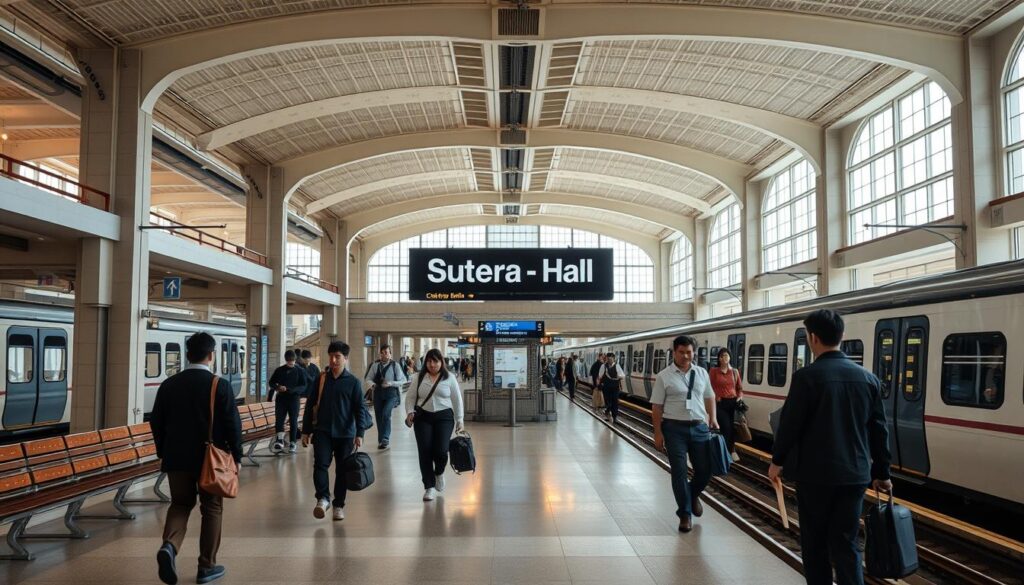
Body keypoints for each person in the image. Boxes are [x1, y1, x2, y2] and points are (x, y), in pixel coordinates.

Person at [769, 310, 891, 585]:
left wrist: (777, 461)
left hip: (814, 477)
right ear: (842, 336)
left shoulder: (806, 378)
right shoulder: (868, 379)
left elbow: (790, 425)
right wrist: (882, 473)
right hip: (854, 475)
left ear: (812, 338)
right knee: (847, 543)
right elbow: (879, 430)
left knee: (815, 544)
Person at [151, 332, 242, 585]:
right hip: (209, 460)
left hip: (176, 458)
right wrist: (237, 454)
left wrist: (164, 451)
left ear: (187, 354)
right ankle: (206, 566)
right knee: (211, 508)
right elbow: (233, 424)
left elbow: (156, 422)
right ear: (211, 355)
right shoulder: (218, 385)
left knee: (180, 504)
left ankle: (169, 546)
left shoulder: (169, 384)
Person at [651, 336, 718, 533]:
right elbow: (657, 406)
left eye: (689, 352)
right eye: (681, 352)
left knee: (705, 471)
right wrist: (658, 433)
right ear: (674, 352)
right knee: (679, 472)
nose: (686, 356)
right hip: (674, 429)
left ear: (693, 352)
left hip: (699, 427)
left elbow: (710, 396)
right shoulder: (664, 376)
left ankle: (691, 494)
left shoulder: (702, 373)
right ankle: (685, 514)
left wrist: (712, 417)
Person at [301, 341, 371, 522]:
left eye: (337, 356)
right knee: (320, 465)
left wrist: (360, 434)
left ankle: (339, 505)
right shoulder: (321, 379)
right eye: (331, 356)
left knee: (342, 470)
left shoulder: (354, 383)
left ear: (345, 358)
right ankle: (323, 498)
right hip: (323, 431)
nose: (333, 360)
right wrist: (306, 431)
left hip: (346, 434)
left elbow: (359, 409)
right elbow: (310, 405)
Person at [404, 348, 465, 502]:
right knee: (424, 451)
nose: (432, 364)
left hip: (444, 417)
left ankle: (439, 472)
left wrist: (460, 420)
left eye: (435, 361)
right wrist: (410, 412)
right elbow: (410, 397)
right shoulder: (419, 377)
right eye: (429, 361)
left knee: (441, 451)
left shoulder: (449, 378)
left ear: (441, 362)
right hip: (423, 416)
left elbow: (457, 400)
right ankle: (429, 487)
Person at [364, 344, 409, 450]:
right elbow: (368, 379)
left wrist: (391, 383)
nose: (385, 354)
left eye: (387, 352)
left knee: (386, 413)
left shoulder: (395, 365)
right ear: (380, 354)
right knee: (379, 417)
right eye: (383, 352)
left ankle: (386, 437)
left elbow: (403, 380)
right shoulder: (375, 366)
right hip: (378, 393)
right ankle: (381, 441)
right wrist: (373, 385)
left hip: (391, 394)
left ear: (390, 353)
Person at [268, 350, 309, 454]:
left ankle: (292, 442)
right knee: (279, 419)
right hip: (281, 398)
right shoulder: (279, 370)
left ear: (295, 360)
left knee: (293, 421)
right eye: (288, 361)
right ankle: (280, 440)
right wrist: (278, 387)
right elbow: (271, 382)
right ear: (286, 360)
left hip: (294, 399)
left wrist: (291, 390)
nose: (290, 363)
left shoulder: (300, 371)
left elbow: (304, 385)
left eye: (292, 361)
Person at [710, 347, 743, 462]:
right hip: (720, 403)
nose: (725, 358)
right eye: (723, 356)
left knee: (732, 428)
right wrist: (715, 396)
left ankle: (730, 451)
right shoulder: (714, 371)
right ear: (719, 358)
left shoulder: (734, 372)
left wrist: (739, 398)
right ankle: (726, 453)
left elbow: (739, 388)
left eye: (727, 355)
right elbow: (709, 387)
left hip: (732, 403)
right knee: (726, 427)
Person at [597, 353, 625, 422]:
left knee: (615, 401)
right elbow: (600, 376)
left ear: (613, 359)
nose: (609, 360)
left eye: (611, 359)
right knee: (608, 401)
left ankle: (614, 416)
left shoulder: (617, 366)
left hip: (615, 387)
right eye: (608, 359)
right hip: (606, 387)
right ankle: (608, 412)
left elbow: (622, 376)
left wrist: (619, 377)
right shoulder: (603, 366)